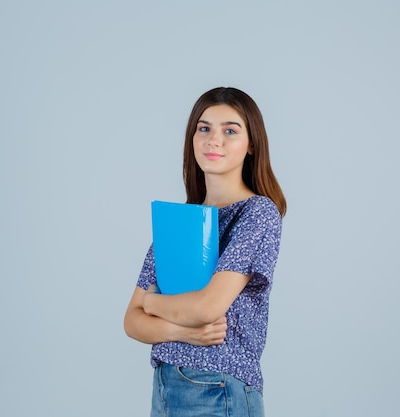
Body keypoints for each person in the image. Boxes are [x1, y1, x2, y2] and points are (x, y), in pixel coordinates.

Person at [123, 87, 287, 417]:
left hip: (217, 387)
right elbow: (132, 321)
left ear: (251, 144)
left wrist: (153, 303)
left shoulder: (256, 213)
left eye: (230, 130)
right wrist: (180, 330)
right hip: (168, 386)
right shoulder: (180, 222)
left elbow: (207, 307)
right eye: (204, 128)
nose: (214, 140)